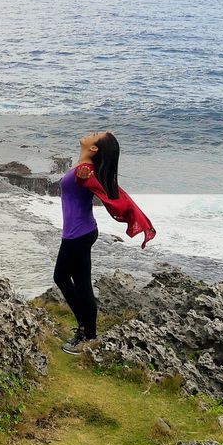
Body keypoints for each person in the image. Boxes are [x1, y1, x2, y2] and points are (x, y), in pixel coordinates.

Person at [54, 130, 156, 354]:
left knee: (75, 282)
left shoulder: (86, 170)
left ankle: (87, 335)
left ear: (94, 149)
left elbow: (101, 186)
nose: (91, 132)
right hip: (77, 232)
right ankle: (85, 329)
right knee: (69, 279)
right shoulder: (83, 167)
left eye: (96, 134)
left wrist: (86, 176)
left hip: (79, 234)